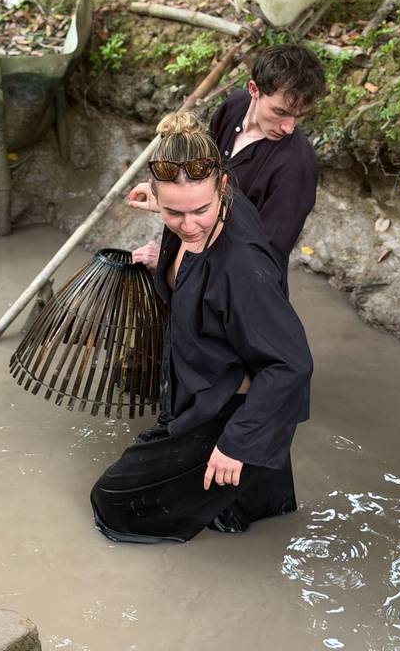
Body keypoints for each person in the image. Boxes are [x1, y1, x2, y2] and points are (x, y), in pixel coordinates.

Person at [91, 113, 313, 543]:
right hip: (204, 380)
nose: (189, 225)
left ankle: (237, 471)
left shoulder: (242, 269)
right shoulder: (206, 212)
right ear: (157, 194)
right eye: (173, 211)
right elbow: (188, 217)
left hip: (230, 409)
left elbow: (292, 365)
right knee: (243, 509)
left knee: (113, 502)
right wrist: (169, 254)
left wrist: (236, 444)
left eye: (200, 210)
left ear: (223, 189)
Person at [130, 44, 326, 280]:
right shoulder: (233, 106)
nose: (289, 127)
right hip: (194, 260)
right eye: (281, 112)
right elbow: (199, 175)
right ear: (253, 89)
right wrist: (163, 197)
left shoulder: (297, 166)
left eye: (299, 116)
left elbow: (264, 258)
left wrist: (179, 266)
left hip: (237, 289)